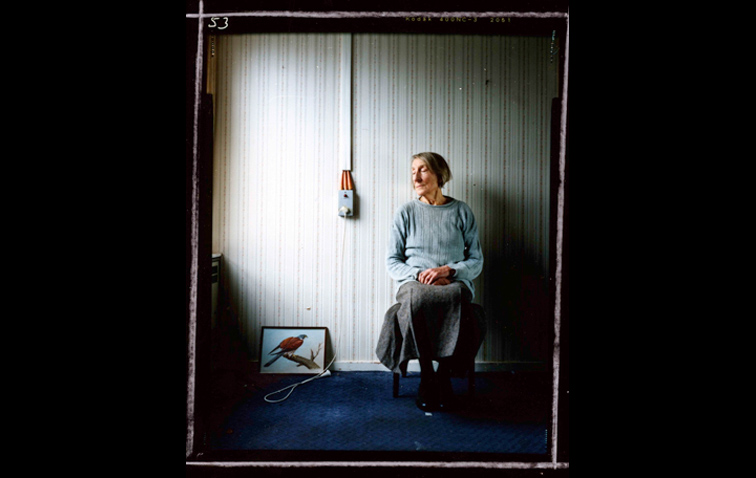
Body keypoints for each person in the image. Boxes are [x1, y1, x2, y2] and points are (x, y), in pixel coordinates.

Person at [377, 152, 484, 412]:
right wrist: (420, 275)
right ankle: (427, 375)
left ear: (440, 174)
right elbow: (392, 261)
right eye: (413, 171)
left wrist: (449, 271)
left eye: (423, 170)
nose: (416, 177)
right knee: (418, 297)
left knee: (457, 297)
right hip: (414, 282)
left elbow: (476, 260)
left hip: (452, 281)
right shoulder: (406, 212)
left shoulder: (461, 210)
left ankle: (443, 374)